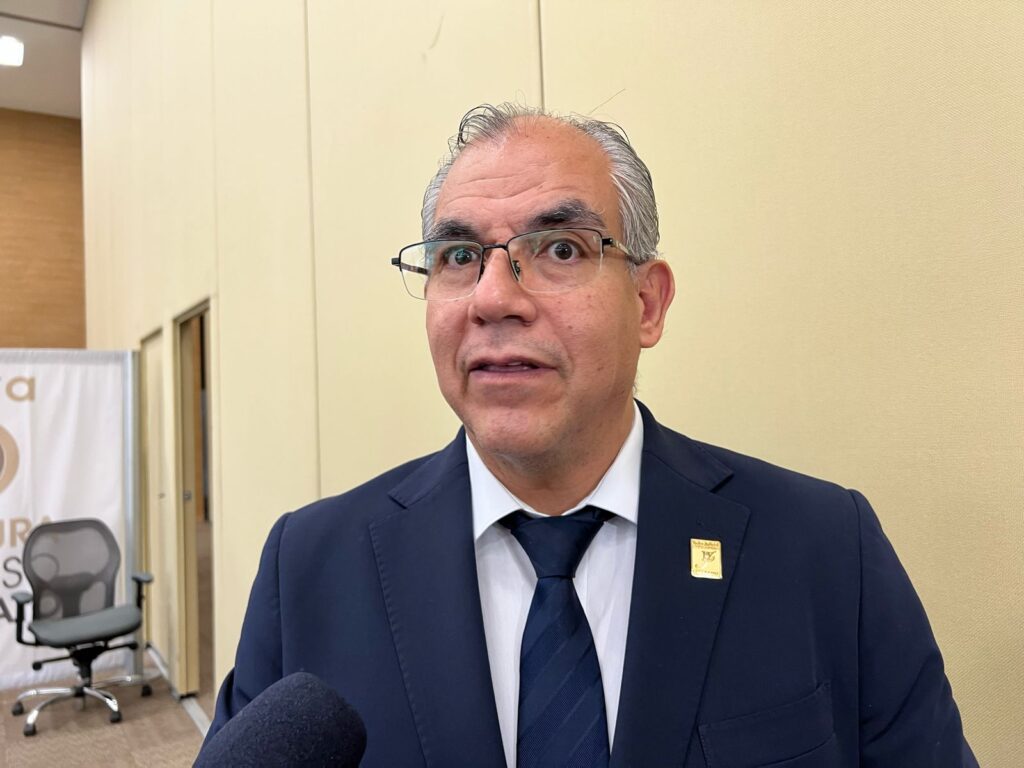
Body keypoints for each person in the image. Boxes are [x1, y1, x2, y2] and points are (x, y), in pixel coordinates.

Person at [207, 104, 976, 767]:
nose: (493, 299)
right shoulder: (308, 569)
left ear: (648, 303)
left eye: (560, 249)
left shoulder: (826, 548)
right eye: (459, 257)